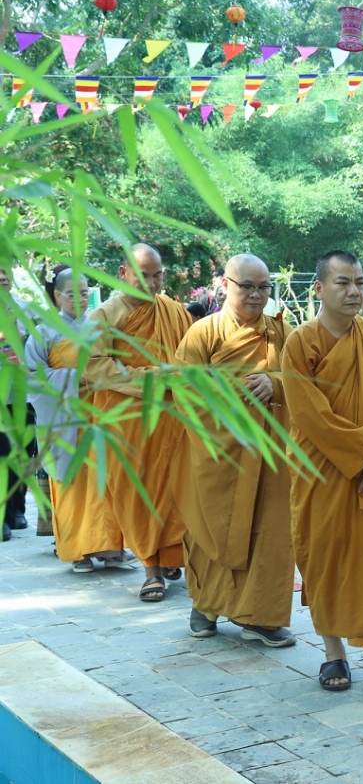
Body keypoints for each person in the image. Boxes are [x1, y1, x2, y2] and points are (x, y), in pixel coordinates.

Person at [280, 251, 363, 691]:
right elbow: (309, 413)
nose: (355, 291)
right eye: (342, 282)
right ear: (318, 288)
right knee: (325, 559)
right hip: (323, 471)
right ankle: (333, 652)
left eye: (358, 282)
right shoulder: (301, 343)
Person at [173, 255, 297, 647]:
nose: (257, 295)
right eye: (248, 287)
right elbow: (185, 389)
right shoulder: (203, 332)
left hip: (270, 453)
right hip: (218, 452)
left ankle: (260, 616)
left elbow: (302, 379)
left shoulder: (281, 332)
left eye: (264, 288)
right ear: (226, 285)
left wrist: (275, 384)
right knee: (211, 525)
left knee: (270, 531)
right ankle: (205, 605)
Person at [83, 244, 191, 602]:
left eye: (157, 274)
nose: (151, 282)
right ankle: (150, 568)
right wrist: (154, 378)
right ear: (122, 272)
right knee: (136, 495)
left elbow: (190, 356)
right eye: (143, 274)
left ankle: (171, 556)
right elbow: (96, 368)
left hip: (172, 419)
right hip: (126, 422)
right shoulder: (103, 316)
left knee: (175, 490)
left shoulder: (174, 311)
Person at [25, 266, 127, 572]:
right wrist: (76, 378)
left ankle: (108, 547)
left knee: (103, 481)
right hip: (62, 420)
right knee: (70, 484)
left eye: (85, 293)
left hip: (98, 415)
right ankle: (78, 551)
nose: (80, 299)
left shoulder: (99, 327)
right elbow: (32, 377)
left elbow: (114, 365)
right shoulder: (43, 331)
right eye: (72, 294)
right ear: (58, 295)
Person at [1, 264, 38, 542]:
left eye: (5, 272)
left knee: (23, 452)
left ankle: (17, 510)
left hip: (23, 393)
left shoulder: (28, 310)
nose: (2, 278)